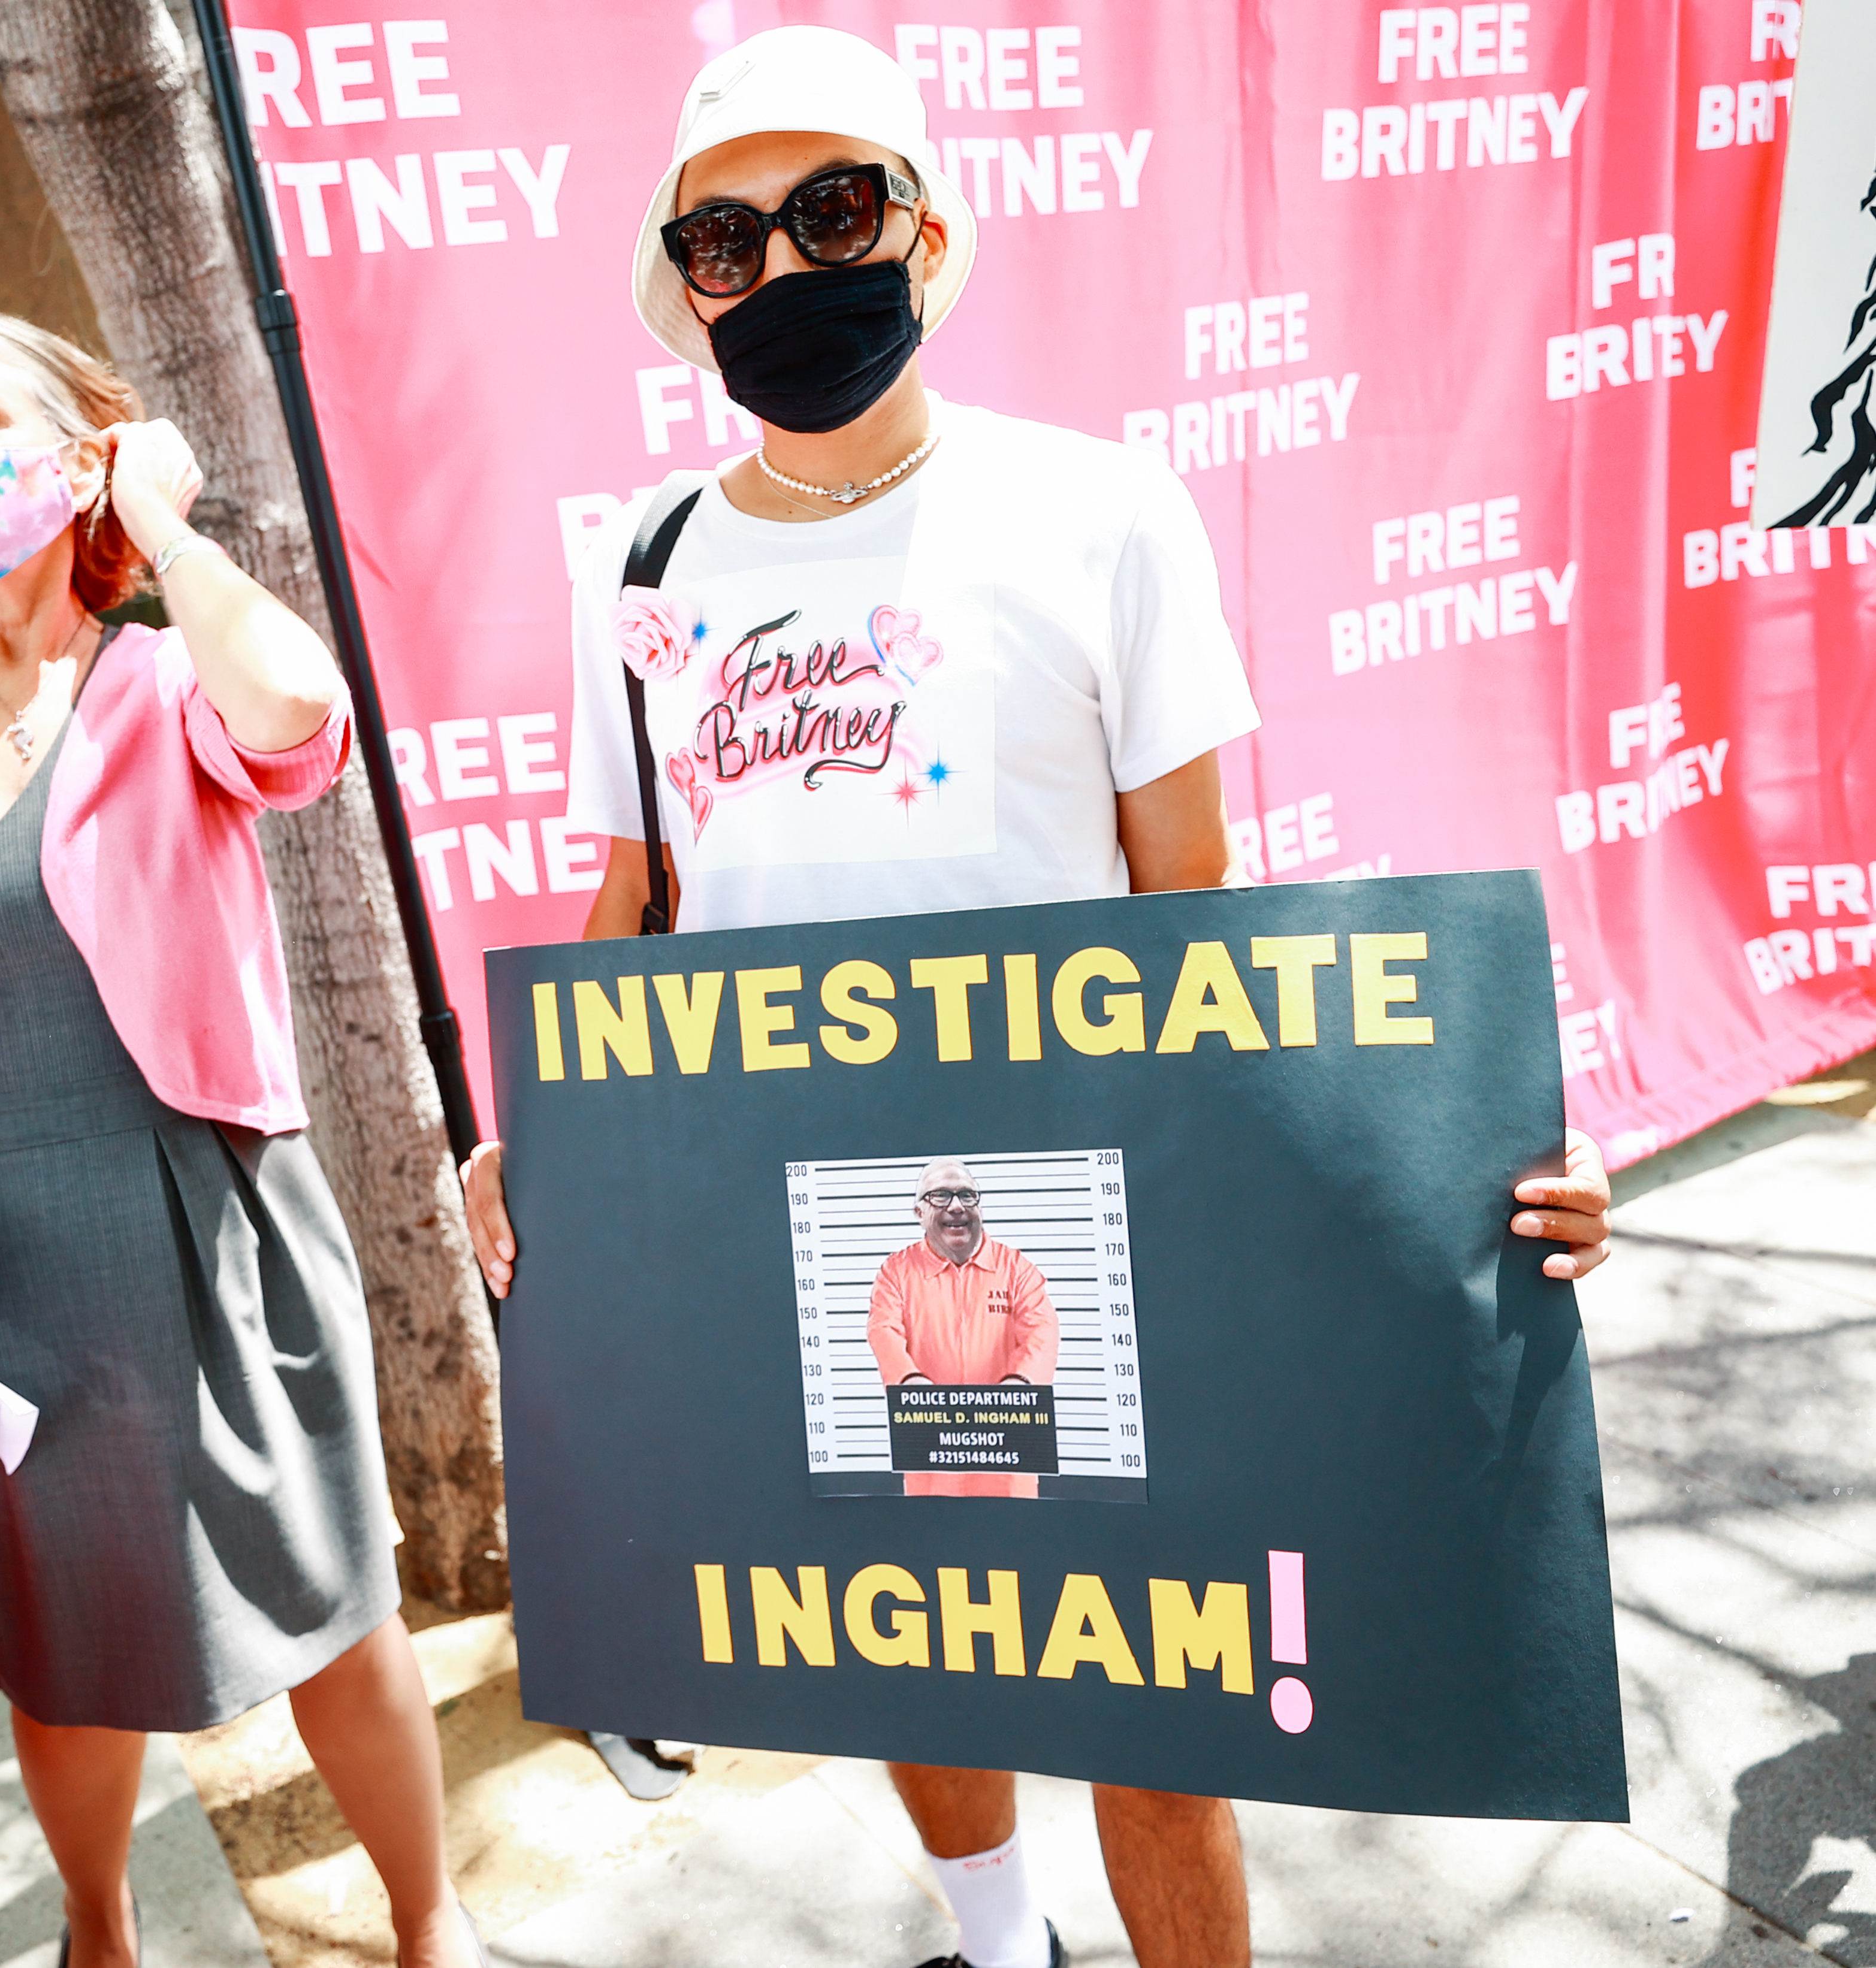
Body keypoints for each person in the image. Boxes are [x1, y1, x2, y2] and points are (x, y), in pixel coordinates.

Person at [455, 28, 1615, 1968]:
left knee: (1147, 1693)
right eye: (730, 236)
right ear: (687, 283)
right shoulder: (644, 568)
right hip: (799, 1214)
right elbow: (638, 897)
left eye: (834, 212)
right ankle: (1002, 1945)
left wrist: (1448, 1177)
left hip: (1078, 1201)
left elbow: (1201, 917)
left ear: (919, 232)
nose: (788, 265)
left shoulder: (1100, 510)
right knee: (907, 1643)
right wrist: (550, 1129)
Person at [0, 311, 481, 1968]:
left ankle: (430, 1923)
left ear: (81, 446)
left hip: (214, 1217)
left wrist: (155, 526)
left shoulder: (165, 675)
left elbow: (300, 720)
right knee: (64, 1643)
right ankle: (98, 1934)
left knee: (330, 1599)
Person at [869, 1160, 1059, 1499]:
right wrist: (909, 1383)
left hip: (1005, 1450)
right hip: (932, 1451)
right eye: (940, 1196)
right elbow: (884, 1330)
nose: (956, 1206)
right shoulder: (896, 1272)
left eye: (967, 1196)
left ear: (979, 1207)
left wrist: (1020, 1384)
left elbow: (1041, 1331)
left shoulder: (1017, 1268)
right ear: (919, 1212)